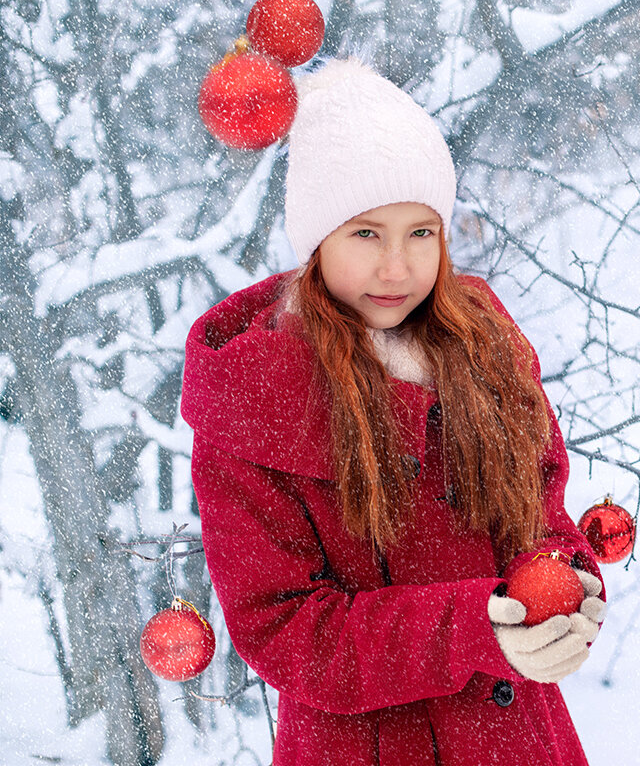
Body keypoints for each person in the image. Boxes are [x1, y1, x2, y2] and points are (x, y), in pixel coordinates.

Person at [181, 57, 606, 766]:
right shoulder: (257, 396)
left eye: (422, 233)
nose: (398, 268)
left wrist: (566, 584)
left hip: (517, 740)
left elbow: (545, 520)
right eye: (366, 234)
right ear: (316, 243)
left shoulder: (487, 351)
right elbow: (287, 630)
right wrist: (474, 628)